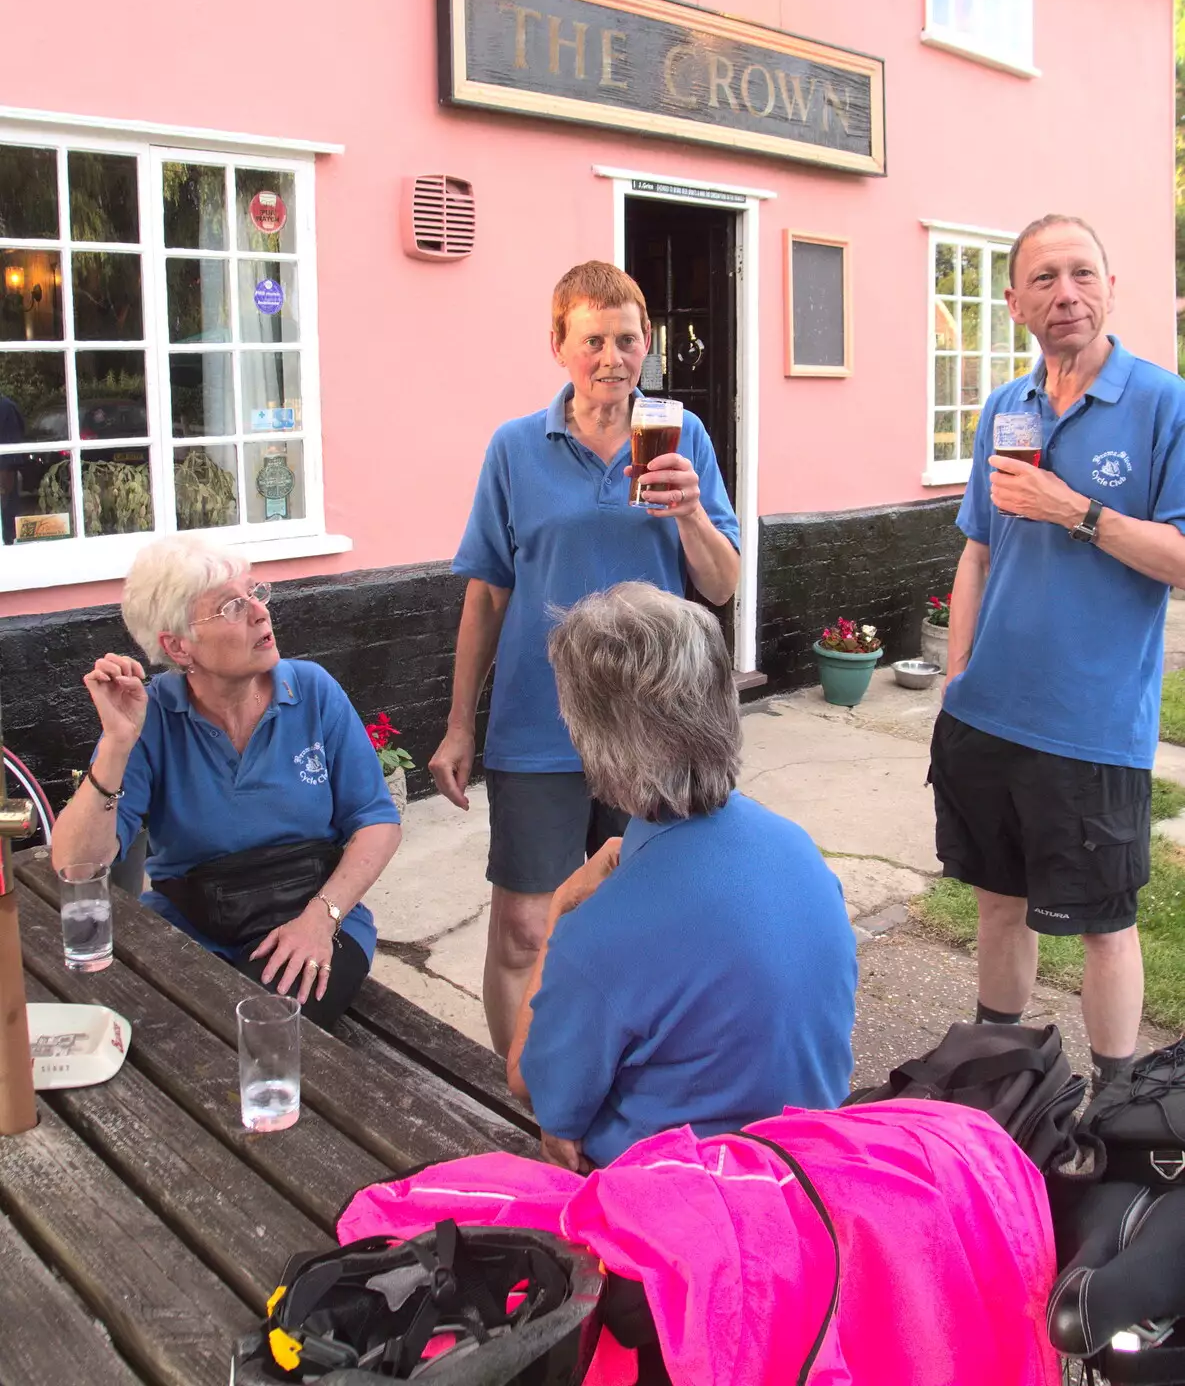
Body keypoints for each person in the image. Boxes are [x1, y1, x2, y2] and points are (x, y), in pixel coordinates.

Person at [429, 261, 741, 1054]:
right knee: (524, 931)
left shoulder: (682, 437)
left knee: (649, 925)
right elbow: (487, 596)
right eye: (593, 340)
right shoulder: (514, 449)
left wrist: (692, 514)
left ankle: (626, 1083)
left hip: (655, 727)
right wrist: (460, 724)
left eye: (627, 340)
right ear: (558, 346)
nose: (612, 357)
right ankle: (515, 1097)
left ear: (648, 346)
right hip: (540, 728)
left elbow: (721, 584)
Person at [931, 213, 1185, 1095]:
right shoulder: (1005, 408)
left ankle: (1116, 1109)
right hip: (986, 717)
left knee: (1103, 927)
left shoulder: (1161, 402)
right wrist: (957, 678)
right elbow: (977, 549)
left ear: (1111, 287)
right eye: (1043, 279)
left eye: (1081, 273)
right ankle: (998, 1086)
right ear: (1013, 304)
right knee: (997, 906)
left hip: (1089, 729)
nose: (1064, 293)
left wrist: (1074, 510)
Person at [505, 582, 856, 1171]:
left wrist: (560, 915)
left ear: (590, 736)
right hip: (813, 1165)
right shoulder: (797, 849)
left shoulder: (598, 934)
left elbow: (531, 1084)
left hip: (687, 1206)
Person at [51, 535, 402, 1028]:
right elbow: (75, 864)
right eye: (233, 607)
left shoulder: (313, 691)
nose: (261, 612)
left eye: (255, 593)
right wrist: (116, 743)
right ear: (178, 646)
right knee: (150, 1029)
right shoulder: (151, 716)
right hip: (190, 924)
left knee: (256, 1027)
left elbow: (377, 820)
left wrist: (321, 918)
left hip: (310, 914)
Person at [0, 392, 25, 545]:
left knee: (6, 504)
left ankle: (8, 537)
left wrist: (6, 469)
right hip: (6, 463)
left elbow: (12, 440)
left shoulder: (6, 407)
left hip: (5, 466)